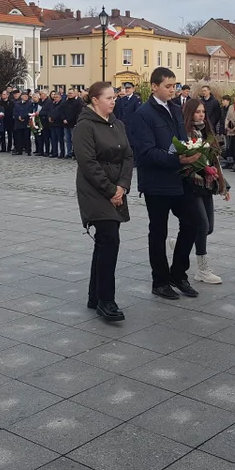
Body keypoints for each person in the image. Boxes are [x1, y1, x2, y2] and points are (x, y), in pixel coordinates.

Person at [130, 66, 201, 301]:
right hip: (157, 182)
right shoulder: (143, 113)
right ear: (154, 86)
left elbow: (180, 140)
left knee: (193, 223)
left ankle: (178, 274)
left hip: (180, 179)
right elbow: (145, 153)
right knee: (158, 231)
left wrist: (193, 151)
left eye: (175, 86)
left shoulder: (175, 109)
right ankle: (159, 281)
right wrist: (176, 158)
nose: (173, 90)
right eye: (168, 86)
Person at [73, 81, 133, 322]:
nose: (113, 101)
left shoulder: (117, 123)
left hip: (115, 188)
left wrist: (122, 186)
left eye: (114, 97)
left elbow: (128, 155)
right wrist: (110, 190)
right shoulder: (85, 126)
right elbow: (87, 163)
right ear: (95, 100)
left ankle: (94, 295)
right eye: (108, 97)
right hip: (95, 190)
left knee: (105, 241)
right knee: (109, 238)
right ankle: (106, 300)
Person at [182, 98, 230, 285]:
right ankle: (202, 270)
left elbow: (214, 162)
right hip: (192, 185)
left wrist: (224, 185)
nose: (201, 115)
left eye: (203, 111)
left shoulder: (206, 131)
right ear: (190, 113)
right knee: (202, 224)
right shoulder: (186, 133)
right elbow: (183, 157)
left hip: (207, 185)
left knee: (208, 227)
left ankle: (181, 243)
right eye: (197, 112)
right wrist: (198, 168)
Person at [62, 88, 83, 158]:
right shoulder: (65, 102)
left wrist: (69, 120)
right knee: (67, 139)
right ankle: (69, 152)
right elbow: (62, 111)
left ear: (75, 94)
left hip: (73, 123)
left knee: (74, 139)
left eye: (71, 93)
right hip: (65, 123)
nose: (69, 94)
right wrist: (64, 118)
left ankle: (75, 153)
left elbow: (76, 113)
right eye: (68, 93)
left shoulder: (78, 102)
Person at [13, 91, 33, 156]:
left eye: (27, 96)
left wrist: (23, 117)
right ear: (21, 97)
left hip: (26, 122)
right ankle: (19, 150)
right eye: (24, 96)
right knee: (19, 137)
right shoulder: (17, 103)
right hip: (18, 122)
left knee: (27, 137)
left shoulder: (30, 103)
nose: (26, 97)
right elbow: (14, 112)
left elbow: (29, 112)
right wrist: (18, 117)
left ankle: (28, 150)